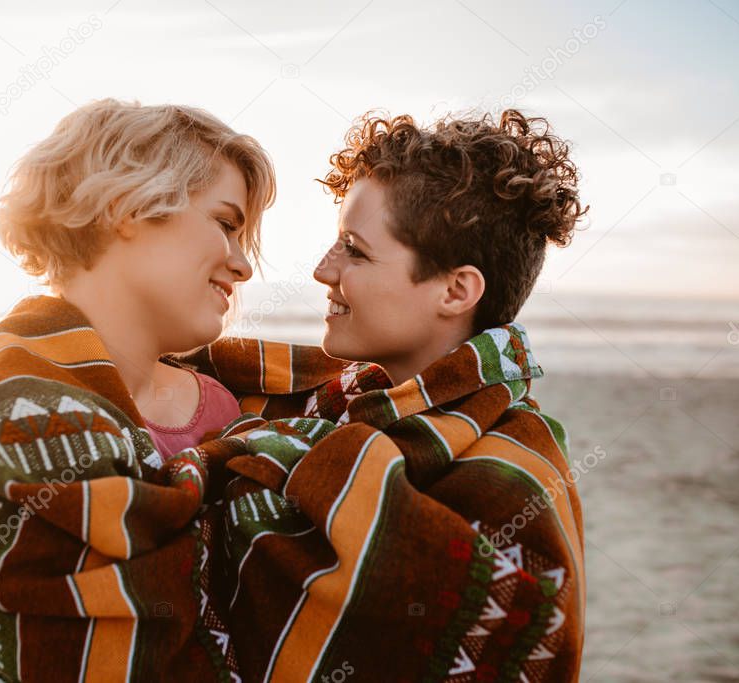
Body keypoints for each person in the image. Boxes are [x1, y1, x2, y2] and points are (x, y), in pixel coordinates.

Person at [180, 109, 587, 681]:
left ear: (455, 289)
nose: (324, 270)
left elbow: (517, 633)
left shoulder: (517, 468)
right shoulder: (328, 398)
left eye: (356, 250)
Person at [0, 97, 281, 680]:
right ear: (127, 207)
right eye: (226, 223)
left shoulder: (228, 409)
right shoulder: (11, 414)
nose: (242, 265)